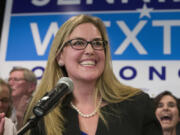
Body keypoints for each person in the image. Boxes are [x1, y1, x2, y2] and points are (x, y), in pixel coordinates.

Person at [24, 14, 162, 135]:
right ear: (60, 56)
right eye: (78, 43)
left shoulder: (138, 104)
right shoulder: (42, 113)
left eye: (97, 43)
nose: (90, 50)